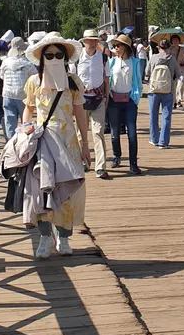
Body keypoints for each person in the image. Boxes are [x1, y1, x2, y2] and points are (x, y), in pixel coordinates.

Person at [23, 33, 91, 258]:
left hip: (68, 143)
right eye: (49, 55)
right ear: (42, 58)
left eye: (58, 55)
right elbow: (29, 108)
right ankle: (45, 237)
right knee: (42, 188)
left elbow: (80, 113)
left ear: (65, 58)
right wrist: (26, 130)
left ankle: (63, 238)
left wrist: (85, 144)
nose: (54, 59)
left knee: (68, 190)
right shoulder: (34, 81)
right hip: (44, 142)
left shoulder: (73, 82)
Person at [106, 33, 144, 174]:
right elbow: (107, 80)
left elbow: (138, 83)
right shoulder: (111, 62)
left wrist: (136, 99)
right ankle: (117, 156)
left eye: (118, 45)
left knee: (132, 134)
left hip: (129, 101)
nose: (115, 48)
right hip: (114, 101)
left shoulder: (134, 62)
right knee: (114, 134)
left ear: (126, 47)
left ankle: (133, 163)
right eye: (114, 45)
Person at [77, 29, 111, 180]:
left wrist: (106, 99)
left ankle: (101, 166)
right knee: (81, 134)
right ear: (84, 41)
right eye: (89, 40)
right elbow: (72, 80)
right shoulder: (77, 58)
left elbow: (106, 80)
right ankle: (83, 161)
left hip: (98, 98)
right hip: (81, 100)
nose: (92, 43)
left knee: (98, 132)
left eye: (94, 40)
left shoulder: (103, 58)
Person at [146, 39, 181, 148]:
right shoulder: (172, 59)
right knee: (166, 117)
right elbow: (178, 74)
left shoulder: (154, 58)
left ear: (158, 47)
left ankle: (154, 139)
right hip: (168, 90)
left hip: (154, 90)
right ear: (169, 48)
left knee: (153, 115)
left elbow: (147, 72)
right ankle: (163, 142)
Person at [1, 37, 36, 140]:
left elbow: (1, 76)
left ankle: (11, 143)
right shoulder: (28, 64)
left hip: (8, 94)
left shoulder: (5, 62)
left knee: (9, 121)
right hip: (23, 95)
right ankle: (25, 143)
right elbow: (34, 77)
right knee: (26, 121)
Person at [169, 34, 184, 108]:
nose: (175, 41)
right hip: (173, 70)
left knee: (180, 84)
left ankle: (179, 100)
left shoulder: (183, 49)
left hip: (181, 69)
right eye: (173, 40)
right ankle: (174, 101)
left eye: (176, 40)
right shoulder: (169, 49)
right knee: (173, 86)